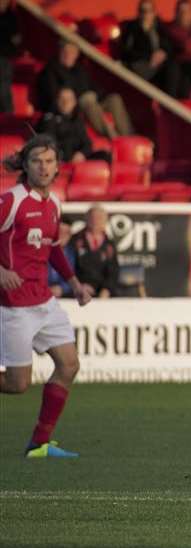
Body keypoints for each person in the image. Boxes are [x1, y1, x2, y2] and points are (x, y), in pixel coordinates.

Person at [0, 134, 92, 458]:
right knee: (16, 385)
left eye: (49, 161)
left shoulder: (54, 203)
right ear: (25, 165)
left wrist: (75, 283)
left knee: (69, 364)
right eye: (37, 160)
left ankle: (38, 444)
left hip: (44, 302)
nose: (44, 166)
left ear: (57, 167)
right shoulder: (11, 201)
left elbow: (52, 249)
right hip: (14, 308)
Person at [37, 41, 134, 138]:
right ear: (60, 51)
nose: (68, 55)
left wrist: (97, 94)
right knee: (88, 99)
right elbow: (54, 95)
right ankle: (113, 136)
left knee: (114, 98)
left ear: (77, 54)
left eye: (72, 52)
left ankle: (129, 136)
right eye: (66, 51)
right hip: (74, 105)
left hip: (91, 101)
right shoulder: (51, 70)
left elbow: (93, 86)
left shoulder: (80, 69)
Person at [119, 0, 180, 97]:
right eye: (143, 11)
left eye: (149, 11)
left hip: (158, 66)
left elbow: (169, 45)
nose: (146, 14)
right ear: (138, 13)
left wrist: (163, 53)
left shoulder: (159, 27)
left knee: (173, 67)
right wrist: (149, 57)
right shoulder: (131, 28)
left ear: (154, 12)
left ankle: (170, 103)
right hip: (140, 65)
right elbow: (126, 52)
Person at [36, 88, 111, 164]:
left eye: (69, 99)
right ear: (56, 101)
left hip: (79, 158)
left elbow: (87, 144)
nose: (66, 102)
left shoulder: (77, 120)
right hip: (62, 160)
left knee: (105, 155)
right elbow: (48, 144)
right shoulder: (49, 120)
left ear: (74, 102)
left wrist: (81, 154)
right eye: (62, 99)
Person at [69, 205, 119, 299]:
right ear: (86, 219)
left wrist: (106, 289)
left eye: (100, 218)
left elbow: (113, 271)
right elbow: (69, 267)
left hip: (103, 293)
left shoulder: (109, 245)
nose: (96, 221)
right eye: (92, 217)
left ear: (105, 221)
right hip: (79, 290)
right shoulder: (75, 240)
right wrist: (79, 286)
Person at [0, 0, 19, 113]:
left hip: (5, 56)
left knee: (4, 87)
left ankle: (8, 115)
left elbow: (16, 38)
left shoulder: (11, 16)